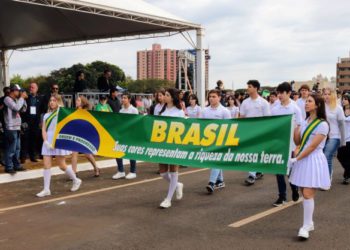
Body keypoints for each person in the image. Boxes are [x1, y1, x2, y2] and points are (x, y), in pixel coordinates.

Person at [289, 93, 331, 239]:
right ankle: (309, 222)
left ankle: (306, 226)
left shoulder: (323, 124)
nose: (306, 103)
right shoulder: (306, 120)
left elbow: (312, 146)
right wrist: (296, 128)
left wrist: (296, 158)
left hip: (313, 160)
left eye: (310, 101)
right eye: (306, 101)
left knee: (307, 193)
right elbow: (299, 142)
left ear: (317, 105)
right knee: (303, 192)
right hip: (302, 159)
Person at [36, 94, 82, 197]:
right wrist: (46, 141)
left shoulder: (62, 113)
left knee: (61, 165)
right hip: (48, 141)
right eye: (51, 100)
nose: (52, 102)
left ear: (58, 102)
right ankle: (46, 189)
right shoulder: (46, 115)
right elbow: (44, 129)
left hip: (58, 140)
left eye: (54, 100)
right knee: (46, 165)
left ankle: (76, 180)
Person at [271, 82, 302, 206]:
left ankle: (294, 188)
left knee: (290, 171)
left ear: (289, 93)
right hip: (279, 144)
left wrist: (298, 144)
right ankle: (282, 196)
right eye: (278, 93)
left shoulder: (295, 108)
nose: (279, 95)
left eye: (282, 93)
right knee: (279, 171)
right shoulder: (274, 109)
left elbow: (299, 127)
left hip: (291, 145)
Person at [239, 80, 271, 185]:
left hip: (259, 132)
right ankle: (258, 170)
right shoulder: (245, 102)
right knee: (251, 153)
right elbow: (242, 117)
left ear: (256, 88)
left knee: (253, 152)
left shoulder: (263, 102)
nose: (247, 88)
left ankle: (251, 175)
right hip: (248, 131)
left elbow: (267, 119)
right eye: (247, 86)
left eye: (250, 86)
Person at [158, 88, 185, 208]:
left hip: (174, 144)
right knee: (163, 173)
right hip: (163, 144)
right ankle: (178, 185)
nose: (164, 97)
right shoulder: (160, 110)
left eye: (167, 95)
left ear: (173, 97)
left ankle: (168, 199)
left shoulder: (179, 112)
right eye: (165, 95)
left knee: (173, 171)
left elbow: (183, 128)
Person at [201, 89, 231, 193]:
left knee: (216, 160)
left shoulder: (225, 111)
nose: (211, 98)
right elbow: (201, 125)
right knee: (214, 161)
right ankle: (220, 180)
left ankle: (212, 183)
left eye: (214, 96)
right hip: (208, 141)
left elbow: (229, 127)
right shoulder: (204, 110)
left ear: (219, 98)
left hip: (221, 141)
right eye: (210, 96)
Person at [71, 95, 100, 177]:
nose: (76, 101)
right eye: (76, 100)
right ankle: (74, 173)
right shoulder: (73, 111)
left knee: (87, 154)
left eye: (78, 100)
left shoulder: (86, 112)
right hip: (76, 134)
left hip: (84, 135)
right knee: (74, 153)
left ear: (82, 103)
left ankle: (96, 168)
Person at [112, 92, 139, 180]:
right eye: (122, 98)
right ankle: (121, 171)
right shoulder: (121, 110)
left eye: (125, 98)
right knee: (118, 150)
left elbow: (136, 123)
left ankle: (133, 171)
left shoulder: (134, 110)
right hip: (122, 135)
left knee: (131, 152)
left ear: (129, 99)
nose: (123, 99)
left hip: (131, 135)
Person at [323, 88, 346, 182]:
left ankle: (327, 179)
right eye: (325, 94)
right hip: (322, 136)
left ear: (333, 95)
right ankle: (325, 175)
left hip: (335, 136)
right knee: (323, 158)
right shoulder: (321, 106)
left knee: (326, 156)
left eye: (329, 94)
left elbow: (342, 125)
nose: (327, 96)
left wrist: (343, 140)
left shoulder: (338, 108)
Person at [3, 84, 27, 174]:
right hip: (10, 127)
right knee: (11, 148)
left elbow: (23, 110)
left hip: (16, 126)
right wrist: (21, 98)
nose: (19, 92)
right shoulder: (7, 99)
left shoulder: (16, 99)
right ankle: (9, 167)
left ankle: (16, 165)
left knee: (17, 148)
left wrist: (23, 99)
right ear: (13, 91)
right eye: (18, 91)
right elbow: (16, 107)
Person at [20, 82, 43, 163]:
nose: (31, 88)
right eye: (30, 87)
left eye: (32, 87)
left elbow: (42, 110)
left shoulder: (40, 98)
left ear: (37, 89)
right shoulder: (26, 98)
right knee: (25, 139)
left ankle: (32, 156)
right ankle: (23, 157)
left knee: (34, 140)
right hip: (27, 122)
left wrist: (41, 122)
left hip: (36, 122)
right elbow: (21, 111)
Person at [337, 94, 350, 184]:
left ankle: (346, 177)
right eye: (343, 99)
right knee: (340, 156)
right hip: (341, 137)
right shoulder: (340, 110)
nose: (344, 100)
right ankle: (348, 172)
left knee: (348, 157)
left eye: (346, 99)